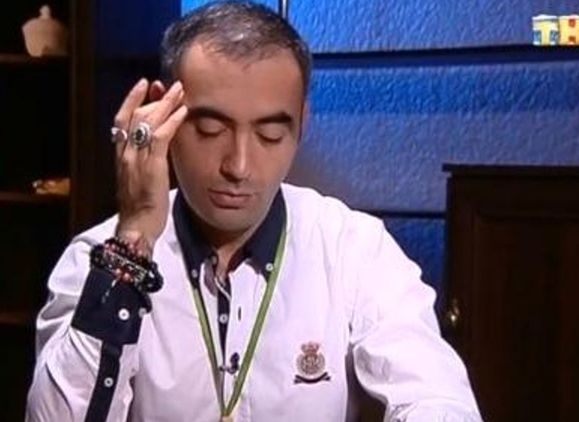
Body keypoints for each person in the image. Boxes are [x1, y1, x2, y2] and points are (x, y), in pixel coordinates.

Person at [24, 1, 483, 421]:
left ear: (301, 122)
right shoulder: (98, 258)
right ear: (161, 111)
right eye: (210, 129)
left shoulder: (353, 248)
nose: (239, 167)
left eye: (270, 135)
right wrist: (133, 243)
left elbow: (437, 398)